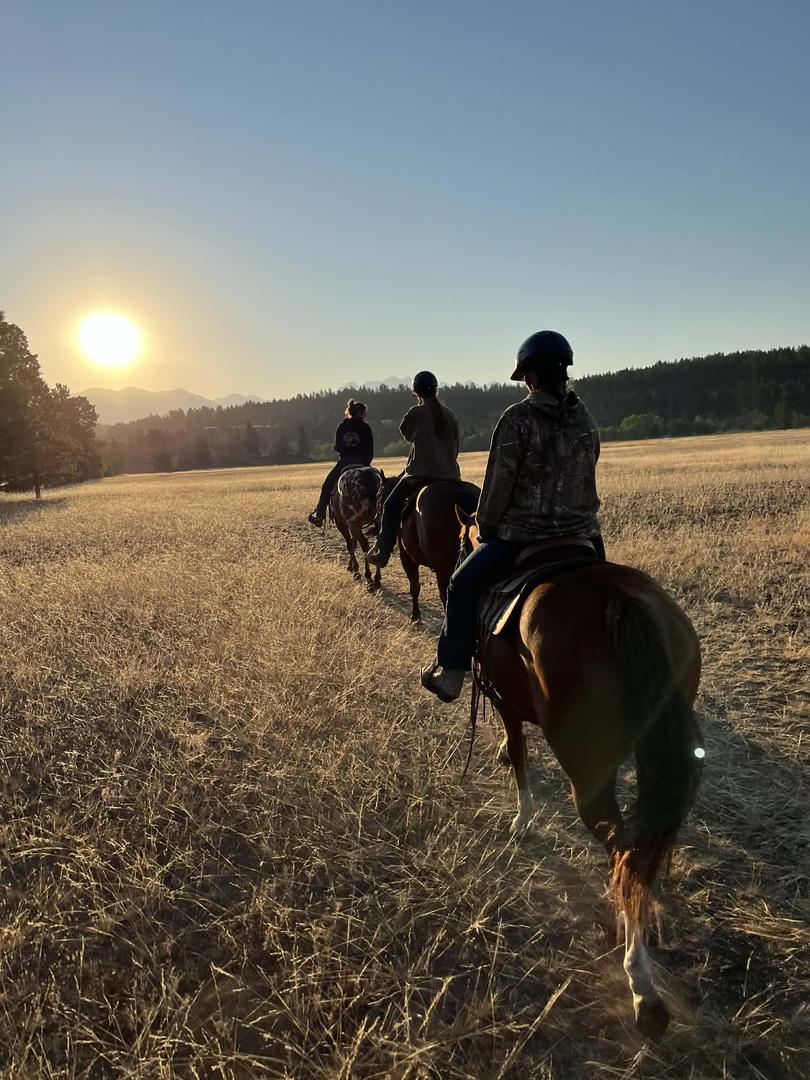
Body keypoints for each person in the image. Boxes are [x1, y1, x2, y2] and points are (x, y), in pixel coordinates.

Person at [421, 330, 605, 702]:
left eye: (526, 378)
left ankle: (452, 671)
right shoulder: (585, 419)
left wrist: (486, 526)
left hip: (523, 535)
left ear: (531, 376)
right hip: (583, 536)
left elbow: (498, 483)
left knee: (460, 584)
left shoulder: (518, 418)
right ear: (564, 370)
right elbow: (590, 468)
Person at [366, 371, 460, 567]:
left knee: (390, 505)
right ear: (436, 389)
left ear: (415, 392)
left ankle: (382, 552)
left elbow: (406, 434)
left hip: (420, 475)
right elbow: (456, 447)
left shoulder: (416, 412)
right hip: (451, 476)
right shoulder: (450, 414)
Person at [308, 399, 374, 527]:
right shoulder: (366, 427)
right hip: (363, 462)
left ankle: (319, 515)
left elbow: (337, 446)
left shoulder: (342, 426)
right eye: (364, 412)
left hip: (345, 462)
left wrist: (346, 449)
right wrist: (366, 463)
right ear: (361, 413)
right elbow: (370, 449)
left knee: (327, 486)